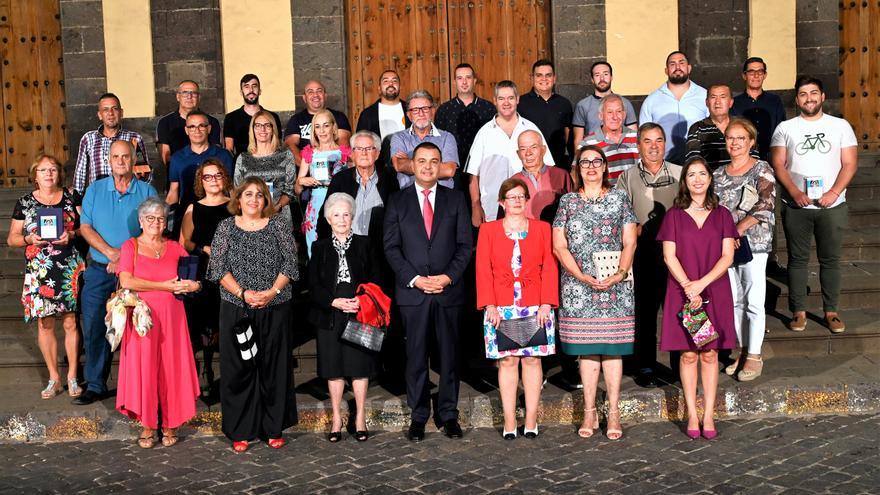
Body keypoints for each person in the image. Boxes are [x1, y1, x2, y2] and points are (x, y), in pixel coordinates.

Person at [384, 142, 473, 442]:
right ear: (412, 164)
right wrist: (415, 279)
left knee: (449, 356)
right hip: (414, 293)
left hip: (448, 291)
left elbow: (464, 245)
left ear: (440, 166)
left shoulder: (456, 199)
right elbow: (391, 247)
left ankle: (448, 414)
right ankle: (419, 415)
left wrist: (447, 277)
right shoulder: (397, 201)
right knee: (416, 357)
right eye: (421, 161)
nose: (427, 167)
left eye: (434, 161)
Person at [207, 177, 299, 453]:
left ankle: (273, 428)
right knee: (239, 369)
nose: (253, 200)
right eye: (248, 194)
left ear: (266, 200)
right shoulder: (225, 227)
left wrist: (271, 292)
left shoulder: (279, 225)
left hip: (275, 305)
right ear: (238, 199)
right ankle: (241, 430)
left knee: (274, 366)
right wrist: (243, 293)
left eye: (259, 195)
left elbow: (291, 264)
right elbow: (217, 267)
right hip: (237, 307)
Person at [552, 145, 637, 440]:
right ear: (577, 169)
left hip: (615, 285)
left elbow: (630, 241)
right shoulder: (567, 202)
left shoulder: (619, 198)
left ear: (604, 168)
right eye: (584, 162)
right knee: (587, 350)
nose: (590, 166)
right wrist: (580, 275)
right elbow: (559, 245)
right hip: (578, 286)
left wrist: (620, 273)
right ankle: (589, 411)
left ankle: (613, 411)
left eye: (596, 162)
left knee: (612, 350)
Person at [657, 156, 737, 439]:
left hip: (713, 289)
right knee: (689, 354)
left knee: (711, 353)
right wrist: (688, 286)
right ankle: (692, 413)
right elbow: (669, 255)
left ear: (710, 179)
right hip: (683, 291)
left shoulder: (723, 214)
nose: (697, 179)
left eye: (702, 173)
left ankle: (709, 414)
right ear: (685, 182)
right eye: (691, 175)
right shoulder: (674, 216)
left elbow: (728, 256)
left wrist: (701, 284)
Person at [770, 76, 858, 333]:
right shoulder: (785, 128)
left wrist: (833, 192)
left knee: (830, 260)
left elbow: (850, 163)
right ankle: (798, 311)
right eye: (803, 94)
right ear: (797, 99)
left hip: (832, 206)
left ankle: (831, 311)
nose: (809, 98)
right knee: (797, 260)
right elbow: (778, 164)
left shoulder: (840, 126)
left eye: (813, 93)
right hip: (797, 205)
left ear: (822, 97)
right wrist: (795, 192)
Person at [76, 140, 158, 405]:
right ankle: (96, 384)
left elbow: (154, 230)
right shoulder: (94, 190)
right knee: (94, 326)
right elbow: (85, 227)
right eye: (116, 157)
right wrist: (111, 253)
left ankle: (135, 384)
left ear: (134, 160)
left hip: (135, 271)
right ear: (108, 161)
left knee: (137, 327)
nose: (121, 161)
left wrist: (123, 257)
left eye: (126, 157)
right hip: (100, 270)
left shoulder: (147, 191)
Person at [116, 197, 201, 449]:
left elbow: (193, 279)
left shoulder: (175, 247)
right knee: (145, 370)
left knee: (171, 370)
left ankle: (170, 423)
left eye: (161, 218)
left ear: (166, 223)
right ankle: (147, 425)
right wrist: (163, 286)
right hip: (143, 318)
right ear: (141, 221)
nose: (156, 222)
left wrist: (193, 284)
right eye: (150, 218)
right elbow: (128, 281)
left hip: (173, 317)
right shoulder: (130, 246)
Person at [476, 178, 558, 440]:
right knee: (508, 362)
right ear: (501, 202)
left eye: (521, 196)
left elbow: (550, 266)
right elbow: (483, 270)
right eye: (511, 197)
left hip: (536, 304)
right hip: (500, 306)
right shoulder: (488, 230)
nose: (517, 201)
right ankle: (510, 421)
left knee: (533, 361)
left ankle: (531, 419)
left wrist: (547, 302)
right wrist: (489, 303)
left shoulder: (542, 229)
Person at [8, 155, 85, 399]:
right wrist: (29, 239)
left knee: (71, 321)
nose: (49, 174)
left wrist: (71, 236)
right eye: (43, 170)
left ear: (59, 173)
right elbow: (12, 239)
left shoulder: (72, 197)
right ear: (35, 175)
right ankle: (54, 377)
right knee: (45, 323)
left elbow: (86, 227)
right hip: (39, 271)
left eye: (52, 169)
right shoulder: (25, 202)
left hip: (68, 268)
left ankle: (72, 376)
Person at [308, 193, 382, 443]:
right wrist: (332, 301)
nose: (341, 219)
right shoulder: (319, 247)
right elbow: (313, 283)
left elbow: (377, 277)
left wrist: (362, 300)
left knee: (359, 366)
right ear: (328, 219)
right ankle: (337, 418)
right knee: (334, 367)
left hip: (360, 309)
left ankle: (360, 416)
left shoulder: (365, 243)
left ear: (352, 217)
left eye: (346, 214)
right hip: (330, 310)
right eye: (336, 215)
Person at [615, 123, 683, 388]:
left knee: (676, 311)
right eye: (647, 141)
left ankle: (679, 366)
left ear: (665, 144)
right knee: (644, 312)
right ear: (638, 145)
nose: (653, 146)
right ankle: (645, 364)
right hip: (643, 252)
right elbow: (620, 213)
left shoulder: (680, 173)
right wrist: (633, 226)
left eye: (658, 140)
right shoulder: (628, 176)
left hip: (676, 253)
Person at [713, 118, 776, 381]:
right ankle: (742, 349)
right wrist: (725, 234)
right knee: (735, 300)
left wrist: (738, 229)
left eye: (741, 138)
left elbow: (766, 203)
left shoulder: (761, 168)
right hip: (727, 245)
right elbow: (713, 210)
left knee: (753, 300)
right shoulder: (717, 174)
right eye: (730, 138)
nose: (735, 143)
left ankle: (755, 354)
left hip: (754, 242)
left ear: (751, 141)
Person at [466, 80, 554, 227]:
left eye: (510, 98)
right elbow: (473, 174)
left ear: (518, 99)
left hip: (528, 209)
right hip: (492, 209)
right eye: (501, 98)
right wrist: (475, 206)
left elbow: (547, 169)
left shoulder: (531, 129)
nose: (506, 103)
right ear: (495, 101)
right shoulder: (484, 133)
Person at [179, 159, 232, 393]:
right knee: (200, 325)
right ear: (201, 180)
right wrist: (204, 248)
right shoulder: (194, 208)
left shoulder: (235, 206)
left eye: (217, 175)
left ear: (225, 178)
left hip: (231, 273)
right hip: (202, 271)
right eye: (208, 177)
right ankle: (203, 374)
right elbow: (184, 243)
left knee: (224, 325)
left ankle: (223, 374)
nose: (213, 180)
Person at [319, 131, 399, 264]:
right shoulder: (340, 180)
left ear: (377, 154)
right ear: (352, 153)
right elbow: (324, 217)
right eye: (359, 149)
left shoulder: (389, 179)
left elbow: (397, 219)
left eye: (369, 149)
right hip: (345, 252)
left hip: (381, 254)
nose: (364, 153)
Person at [166, 110, 233, 238]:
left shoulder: (223, 155)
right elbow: (173, 191)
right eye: (192, 127)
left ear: (209, 129)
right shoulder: (177, 158)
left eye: (201, 126)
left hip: (219, 215)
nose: (197, 130)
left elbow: (231, 188)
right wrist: (164, 218)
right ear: (186, 130)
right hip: (187, 216)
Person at [296, 110, 352, 257]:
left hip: (340, 203)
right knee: (315, 246)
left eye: (326, 126)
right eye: (317, 126)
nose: (322, 131)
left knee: (341, 243)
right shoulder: (310, 153)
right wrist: (304, 180)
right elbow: (298, 183)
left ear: (333, 127)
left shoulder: (344, 152)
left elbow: (354, 178)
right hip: (316, 203)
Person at [434, 63, 496, 192]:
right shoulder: (444, 110)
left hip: (482, 169)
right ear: (455, 82)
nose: (464, 82)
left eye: (468, 77)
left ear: (474, 81)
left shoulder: (488, 108)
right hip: (453, 170)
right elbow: (438, 141)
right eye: (460, 78)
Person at [639, 51, 708, 164]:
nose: (677, 67)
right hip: (664, 165)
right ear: (666, 70)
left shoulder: (704, 96)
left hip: (699, 164)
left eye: (681, 63)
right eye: (672, 64)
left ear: (689, 68)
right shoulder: (651, 100)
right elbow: (643, 136)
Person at [73, 93, 150, 193]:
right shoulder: (88, 139)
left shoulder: (134, 139)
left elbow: (145, 175)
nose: (110, 113)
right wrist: (78, 200)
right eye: (105, 109)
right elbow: (80, 174)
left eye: (114, 108)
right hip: (98, 198)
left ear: (121, 113)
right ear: (100, 115)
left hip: (127, 196)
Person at [233, 110, 297, 226]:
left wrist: (276, 208)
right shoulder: (243, 158)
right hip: (251, 217)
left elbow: (290, 189)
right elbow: (238, 190)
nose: (262, 129)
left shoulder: (285, 155)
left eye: (267, 125)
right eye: (258, 125)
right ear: (252, 129)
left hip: (279, 216)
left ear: (273, 129)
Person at [390, 90, 458, 189]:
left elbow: (449, 170)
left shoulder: (447, 138)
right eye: (415, 110)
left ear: (433, 111)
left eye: (425, 109)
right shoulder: (399, 138)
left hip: (442, 199)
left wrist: (410, 161)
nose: (421, 114)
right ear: (409, 115)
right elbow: (399, 165)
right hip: (409, 199)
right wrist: (436, 166)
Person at [686, 84, 758, 171]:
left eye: (722, 97)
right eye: (713, 97)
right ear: (707, 102)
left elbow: (755, 158)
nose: (717, 102)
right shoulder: (697, 128)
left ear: (731, 102)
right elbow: (693, 162)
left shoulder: (743, 126)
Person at [517, 59, 573, 169]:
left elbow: (568, 136)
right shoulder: (520, 103)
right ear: (532, 78)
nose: (544, 79)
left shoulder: (564, 103)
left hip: (558, 165)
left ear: (554, 78)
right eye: (539, 75)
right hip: (529, 166)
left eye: (548, 75)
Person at [509, 130, 573, 222]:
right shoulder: (512, 182)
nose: (528, 153)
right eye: (523, 149)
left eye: (533, 147)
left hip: (555, 233)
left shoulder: (561, 175)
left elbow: (572, 210)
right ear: (518, 154)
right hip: (526, 234)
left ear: (543, 150)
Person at [156, 80, 222, 168]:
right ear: (178, 97)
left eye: (193, 93)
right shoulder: (165, 123)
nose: (189, 96)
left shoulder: (212, 122)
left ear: (199, 97)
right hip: (178, 174)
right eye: (184, 93)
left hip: (206, 174)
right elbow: (165, 157)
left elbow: (216, 153)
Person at [283, 79, 352, 163]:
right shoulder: (296, 120)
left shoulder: (339, 117)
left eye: (319, 91)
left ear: (325, 96)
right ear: (304, 98)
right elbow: (290, 146)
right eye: (310, 92)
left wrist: (331, 167)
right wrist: (308, 167)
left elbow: (343, 143)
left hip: (335, 168)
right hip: (306, 168)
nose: (315, 95)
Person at [732, 57, 786, 161]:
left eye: (760, 72)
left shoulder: (775, 101)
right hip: (744, 159)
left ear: (765, 75)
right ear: (744, 75)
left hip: (772, 159)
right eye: (751, 72)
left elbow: (781, 130)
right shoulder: (735, 103)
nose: (756, 76)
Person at [573, 61, 638, 145]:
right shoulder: (582, 105)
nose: (602, 79)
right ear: (592, 79)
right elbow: (578, 140)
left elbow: (634, 134)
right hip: (594, 154)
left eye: (605, 74)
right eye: (597, 75)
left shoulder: (625, 103)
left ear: (611, 77)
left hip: (620, 153)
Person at [578, 94, 639, 183]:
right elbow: (577, 176)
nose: (615, 117)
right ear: (600, 116)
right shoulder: (587, 144)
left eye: (618, 111)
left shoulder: (638, 138)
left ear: (624, 114)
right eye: (609, 112)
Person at [223, 74, 283, 158]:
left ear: (260, 91)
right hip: (241, 166)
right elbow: (229, 149)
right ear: (241, 92)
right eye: (246, 87)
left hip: (268, 163)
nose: (251, 90)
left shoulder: (272, 117)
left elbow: (278, 145)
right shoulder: (231, 118)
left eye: (254, 86)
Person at [356, 70, 410, 140]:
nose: (391, 84)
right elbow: (361, 142)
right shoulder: (367, 114)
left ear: (400, 87)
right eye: (386, 81)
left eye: (394, 81)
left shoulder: (411, 109)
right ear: (379, 88)